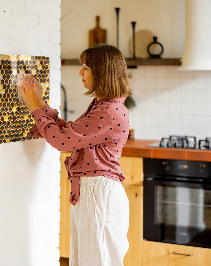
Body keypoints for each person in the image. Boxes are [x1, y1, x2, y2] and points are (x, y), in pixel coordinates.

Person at [19, 44, 131, 266]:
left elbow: (62, 141)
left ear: (102, 72)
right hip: (94, 193)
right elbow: (70, 133)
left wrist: (34, 108)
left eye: (86, 67)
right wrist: (40, 103)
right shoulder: (104, 106)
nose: (80, 72)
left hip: (99, 195)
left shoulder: (108, 111)